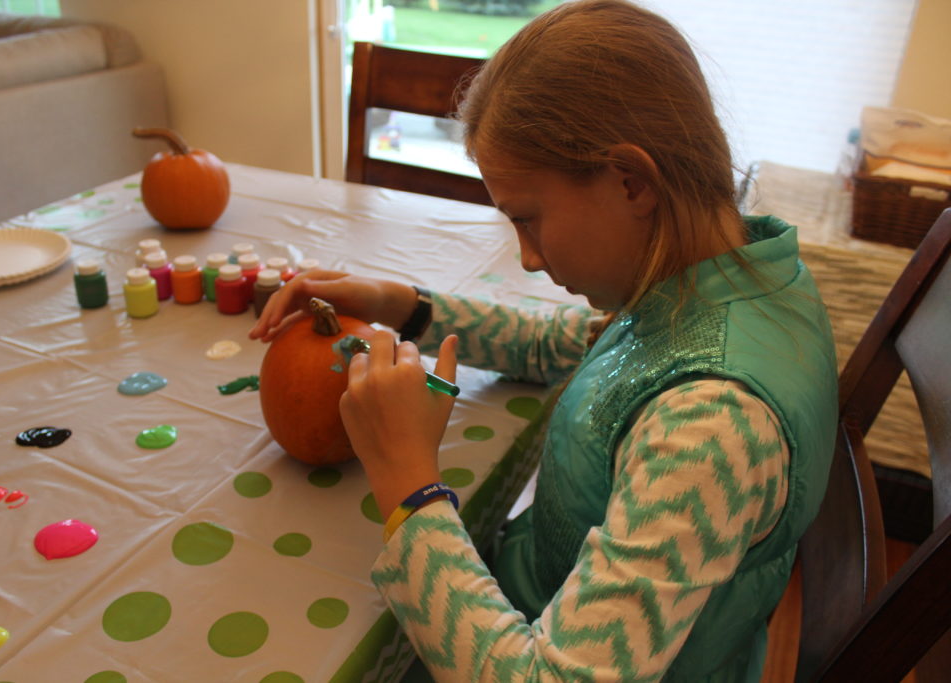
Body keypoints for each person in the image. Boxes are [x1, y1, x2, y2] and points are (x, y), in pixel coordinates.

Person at [250, 0, 838, 679]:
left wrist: (410, 486)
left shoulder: (714, 421)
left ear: (630, 182)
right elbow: (565, 344)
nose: (526, 257)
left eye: (528, 218)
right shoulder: (727, 271)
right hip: (546, 593)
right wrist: (407, 307)